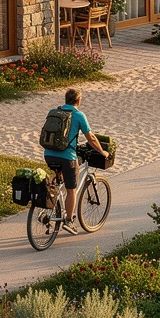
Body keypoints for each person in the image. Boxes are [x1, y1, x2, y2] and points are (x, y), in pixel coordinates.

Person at [42, 88, 108, 234]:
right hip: (67, 157)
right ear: (78, 100)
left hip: (48, 154)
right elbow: (90, 138)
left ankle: (53, 203)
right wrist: (102, 152)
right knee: (72, 189)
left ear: (66, 99)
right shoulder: (79, 115)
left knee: (60, 182)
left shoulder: (53, 112)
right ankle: (69, 221)